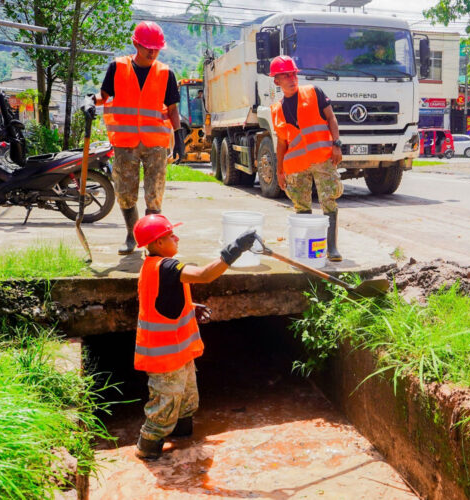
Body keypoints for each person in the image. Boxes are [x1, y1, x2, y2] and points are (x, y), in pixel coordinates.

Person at [132, 213, 257, 460]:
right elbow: (204, 275)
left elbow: (161, 300)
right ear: (158, 243)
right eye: (170, 235)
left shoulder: (154, 266)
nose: (176, 238)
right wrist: (234, 249)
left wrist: (189, 305)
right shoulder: (167, 267)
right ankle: (147, 447)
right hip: (165, 359)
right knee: (163, 408)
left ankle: (183, 437)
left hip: (178, 354)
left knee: (187, 400)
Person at [86, 21, 186, 255]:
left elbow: (172, 109)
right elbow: (104, 97)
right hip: (125, 142)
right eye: (147, 48)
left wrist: (179, 135)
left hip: (156, 144)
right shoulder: (117, 67)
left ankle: (153, 241)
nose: (152, 52)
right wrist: (89, 102)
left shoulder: (166, 72)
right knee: (125, 192)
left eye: (156, 49)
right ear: (135, 44)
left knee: (154, 195)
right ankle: (131, 235)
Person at [269, 55, 344, 262]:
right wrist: (279, 171)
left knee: (328, 200)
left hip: (322, 158)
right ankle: (308, 249)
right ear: (277, 81)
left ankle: (332, 248)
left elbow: (331, 118)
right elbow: (282, 143)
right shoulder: (277, 109)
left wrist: (337, 144)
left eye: (293, 73)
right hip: (296, 165)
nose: (292, 78)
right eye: (285, 75)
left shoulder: (314, 92)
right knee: (301, 206)